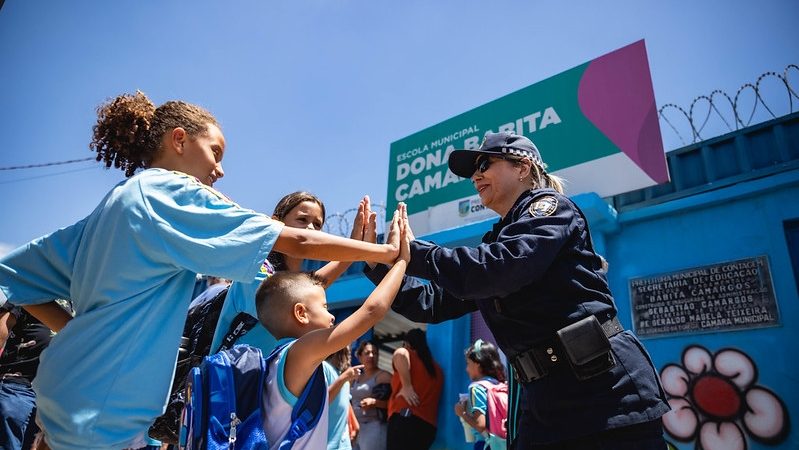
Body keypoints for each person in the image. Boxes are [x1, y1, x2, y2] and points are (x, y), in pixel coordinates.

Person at [0, 91, 401, 450]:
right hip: (105, 416)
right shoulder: (171, 191)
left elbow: (16, 277)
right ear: (179, 140)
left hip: (67, 396)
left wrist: (79, 333)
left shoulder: (114, 205)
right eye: (215, 152)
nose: (220, 170)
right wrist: (386, 251)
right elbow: (296, 248)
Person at [364, 132, 669, 449]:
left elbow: (501, 267)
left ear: (522, 168)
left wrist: (416, 254)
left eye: (485, 163)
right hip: (544, 407)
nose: (476, 176)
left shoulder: (551, 210)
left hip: (606, 396)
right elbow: (430, 304)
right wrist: (377, 262)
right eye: (473, 170)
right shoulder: (497, 244)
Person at [255, 204, 410, 448]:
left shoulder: (275, 358)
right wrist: (401, 262)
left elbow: (316, 285)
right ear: (301, 313)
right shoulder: (302, 351)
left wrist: (352, 249)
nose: (331, 317)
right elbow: (371, 312)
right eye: (325, 307)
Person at [209, 191, 376, 354]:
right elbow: (299, 294)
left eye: (317, 224)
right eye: (302, 220)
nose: (311, 228)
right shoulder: (257, 270)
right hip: (226, 379)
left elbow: (309, 287)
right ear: (276, 223)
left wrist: (353, 248)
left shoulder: (294, 283)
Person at [0, 303, 52, 450]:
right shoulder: (29, 292)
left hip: (50, 396)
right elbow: (2, 327)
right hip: (17, 386)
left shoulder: (77, 301)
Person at [386, 328, 443, 450]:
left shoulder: (408, 354)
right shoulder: (437, 370)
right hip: (428, 428)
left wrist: (407, 386)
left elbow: (400, 354)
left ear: (407, 344)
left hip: (405, 417)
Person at [455, 339, 507, 450]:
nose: (466, 369)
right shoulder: (498, 384)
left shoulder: (476, 387)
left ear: (478, 365)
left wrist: (462, 413)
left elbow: (480, 425)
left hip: (487, 444)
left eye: (468, 364)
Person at [350, 340, 392, 450]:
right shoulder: (355, 377)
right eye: (367, 353)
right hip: (355, 428)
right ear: (359, 357)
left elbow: (394, 404)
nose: (371, 356)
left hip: (374, 427)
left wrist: (375, 402)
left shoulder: (384, 376)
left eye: (375, 353)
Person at [325, 345, 362, 450]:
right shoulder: (324, 368)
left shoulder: (344, 376)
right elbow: (322, 402)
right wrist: (344, 378)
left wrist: (355, 424)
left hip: (344, 445)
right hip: (326, 444)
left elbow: (345, 403)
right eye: (348, 351)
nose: (350, 355)